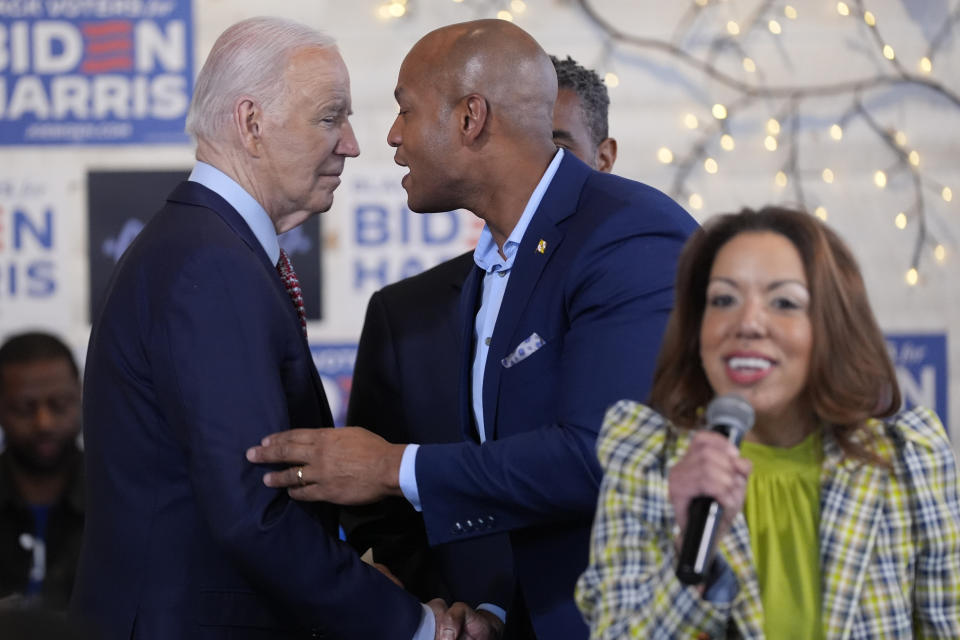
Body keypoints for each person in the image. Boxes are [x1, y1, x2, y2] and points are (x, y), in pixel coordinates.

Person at [247, 19, 697, 639]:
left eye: (406, 111)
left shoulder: (627, 234)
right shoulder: (497, 263)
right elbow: (525, 501)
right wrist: (499, 611)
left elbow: (604, 456)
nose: (392, 136)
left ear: (470, 118)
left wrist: (391, 468)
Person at [72, 16, 492, 640]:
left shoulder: (209, 248)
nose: (351, 143)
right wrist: (413, 628)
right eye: (330, 117)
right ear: (250, 123)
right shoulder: (210, 264)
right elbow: (255, 510)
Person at [575, 206, 960, 638]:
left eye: (783, 302)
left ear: (831, 324)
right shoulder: (646, 456)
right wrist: (689, 551)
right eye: (723, 300)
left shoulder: (909, 456)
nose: (749, 323)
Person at [341, 53, 620, 636]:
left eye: (558, 148)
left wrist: (395, 467)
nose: (538, 169)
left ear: (604, 158)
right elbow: (383, 519)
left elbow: (599, 466)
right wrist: (451, 611)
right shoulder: (413, 310)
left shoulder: (636, 256)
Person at [0, 332, 83, 610]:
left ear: (81, 395)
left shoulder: (118, 501)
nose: (44, 423)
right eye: (25, 408)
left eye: (59, 404)